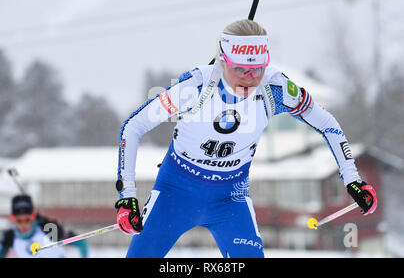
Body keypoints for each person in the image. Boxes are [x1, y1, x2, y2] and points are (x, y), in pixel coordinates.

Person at [114, 19, 378, 258]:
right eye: (240, 69)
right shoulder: (194, 88)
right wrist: (127, 196)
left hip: (230, 199)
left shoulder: (275, 89)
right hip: (176, 193)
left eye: (257, 69)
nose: (249, 78)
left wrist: (353, 179)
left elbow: (327, 124)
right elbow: (133, 127)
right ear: (222, 61)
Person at [0, 194, 89, 258]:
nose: (23, 224)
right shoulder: (9, 238)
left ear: (33, 217)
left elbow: (82, 243)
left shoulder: (49, 229)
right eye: (19, 220)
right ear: (13, 219)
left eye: (27, 219)